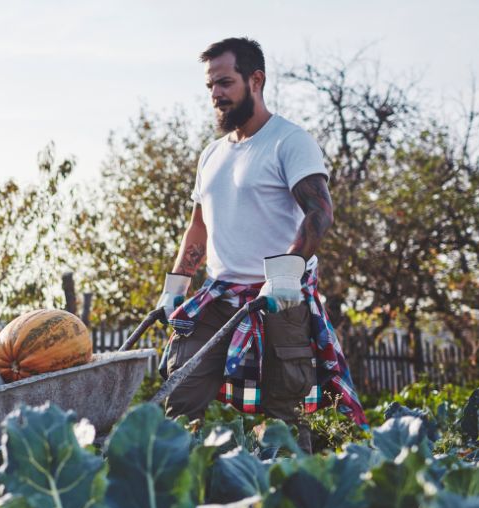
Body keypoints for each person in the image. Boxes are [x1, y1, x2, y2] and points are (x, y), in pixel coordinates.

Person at [157, 37, 368, 451]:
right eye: (210, 86)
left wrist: (285, 275)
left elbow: (319, 212)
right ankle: (176, 489)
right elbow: (198, 226)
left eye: (225, 83)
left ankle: (287, 494)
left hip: (279, 301)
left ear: (256, 80)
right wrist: (175, 286)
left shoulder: (289, 141)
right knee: (181, 396)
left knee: (282, 414)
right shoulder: (211, 154)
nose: (216, 94)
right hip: (218, 297)